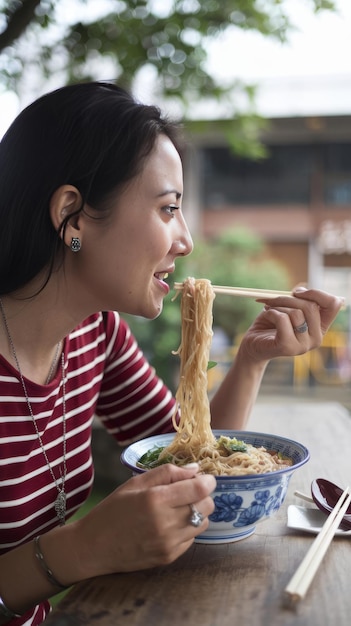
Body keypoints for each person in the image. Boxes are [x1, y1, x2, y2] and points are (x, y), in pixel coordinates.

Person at [0, 81, 343, 626]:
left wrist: (252, 357)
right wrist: (78, 551)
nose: (185, 240)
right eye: (168, 209)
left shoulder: (97, 335)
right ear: (73, 216)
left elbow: (193, 464)